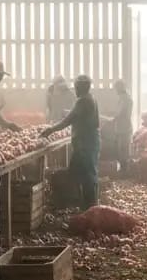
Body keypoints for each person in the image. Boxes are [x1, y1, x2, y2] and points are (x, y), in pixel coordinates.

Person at [42, 75, 102, 208]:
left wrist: (50, 130)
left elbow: (68, 120)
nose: (75, 89)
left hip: (85, 144)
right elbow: (78, 116)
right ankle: (85, 205)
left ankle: (90, 207)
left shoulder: (83, 101)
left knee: (87, 175)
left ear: (80, 87)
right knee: (82, 173)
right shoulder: (90, 98)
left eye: (76, 87)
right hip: (88, 142)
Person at [112, 79, 134, 173]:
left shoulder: (126, 99)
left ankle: (125, 170)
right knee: (121, 149)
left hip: (124, 128)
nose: (115, 90)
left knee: (123, 149)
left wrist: (111, 118)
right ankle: (123, 169)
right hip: (120, 127)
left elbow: (120, 113)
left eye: (116, 88)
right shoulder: (122, 98)